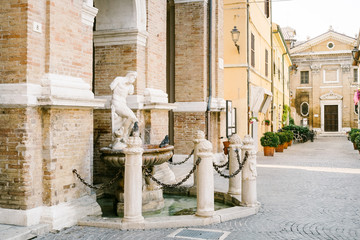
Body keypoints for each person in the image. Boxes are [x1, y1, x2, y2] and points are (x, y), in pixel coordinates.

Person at [110, 72, 138, 147]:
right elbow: (111, 87)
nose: (134, 79)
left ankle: (124, 136)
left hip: (123, 104)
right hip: (116, 103)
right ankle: (123, 135)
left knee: (135, 119)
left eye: (135, 78)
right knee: (131, 117)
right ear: (129, 76)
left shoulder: (130, 86)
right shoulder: (119, 79)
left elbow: (130, 93)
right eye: (134, 77)